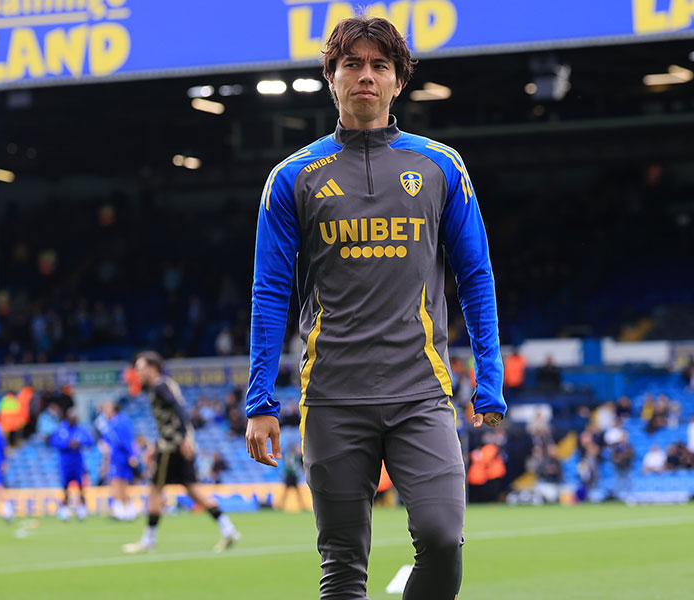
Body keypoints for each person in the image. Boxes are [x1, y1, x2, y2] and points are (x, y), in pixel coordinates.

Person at [245, 16, 505, 600]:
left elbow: (476, 276)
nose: (366, 75)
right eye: (352, 64)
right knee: (342, 568)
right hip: (332, 397)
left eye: (379, 65)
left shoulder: (441, 165)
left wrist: (489, 376)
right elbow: (269, 291)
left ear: (398, 81)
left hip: (421, 393)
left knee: (442, 539)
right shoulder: (291, 177)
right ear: (331, 78)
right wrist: (260, 399)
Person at [123, 351, 240, 553]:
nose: (137, 372)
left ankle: (149, 539)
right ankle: (228, 529)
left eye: (140, 368)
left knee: (154, 490)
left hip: (171, 446)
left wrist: (185, 437)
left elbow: (178, 409)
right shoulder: (164, 384)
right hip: (175, 443)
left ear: (153, 368)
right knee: (193, 489)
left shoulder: (159, 386)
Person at [50, 408, 93, 521]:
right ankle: (64, 507)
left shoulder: (81, 429)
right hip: (65, 462)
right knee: (65, 486)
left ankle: (82, 507)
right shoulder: (61, 428)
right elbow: (54, 442)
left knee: (80, 485)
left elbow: (90, 440)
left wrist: (79, 442)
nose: (73, 419)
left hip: (77, 461)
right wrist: (68, 443)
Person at [100, 401, 138, 521]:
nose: (105, 410)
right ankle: (128, 510)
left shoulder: (116, 423)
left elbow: (124, 440)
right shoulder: (121, 420)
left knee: (116, 482)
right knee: (122, 483)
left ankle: (120, 510)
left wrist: (131, 454)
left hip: (119, 457)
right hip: (122, 456)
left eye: (107, 408)